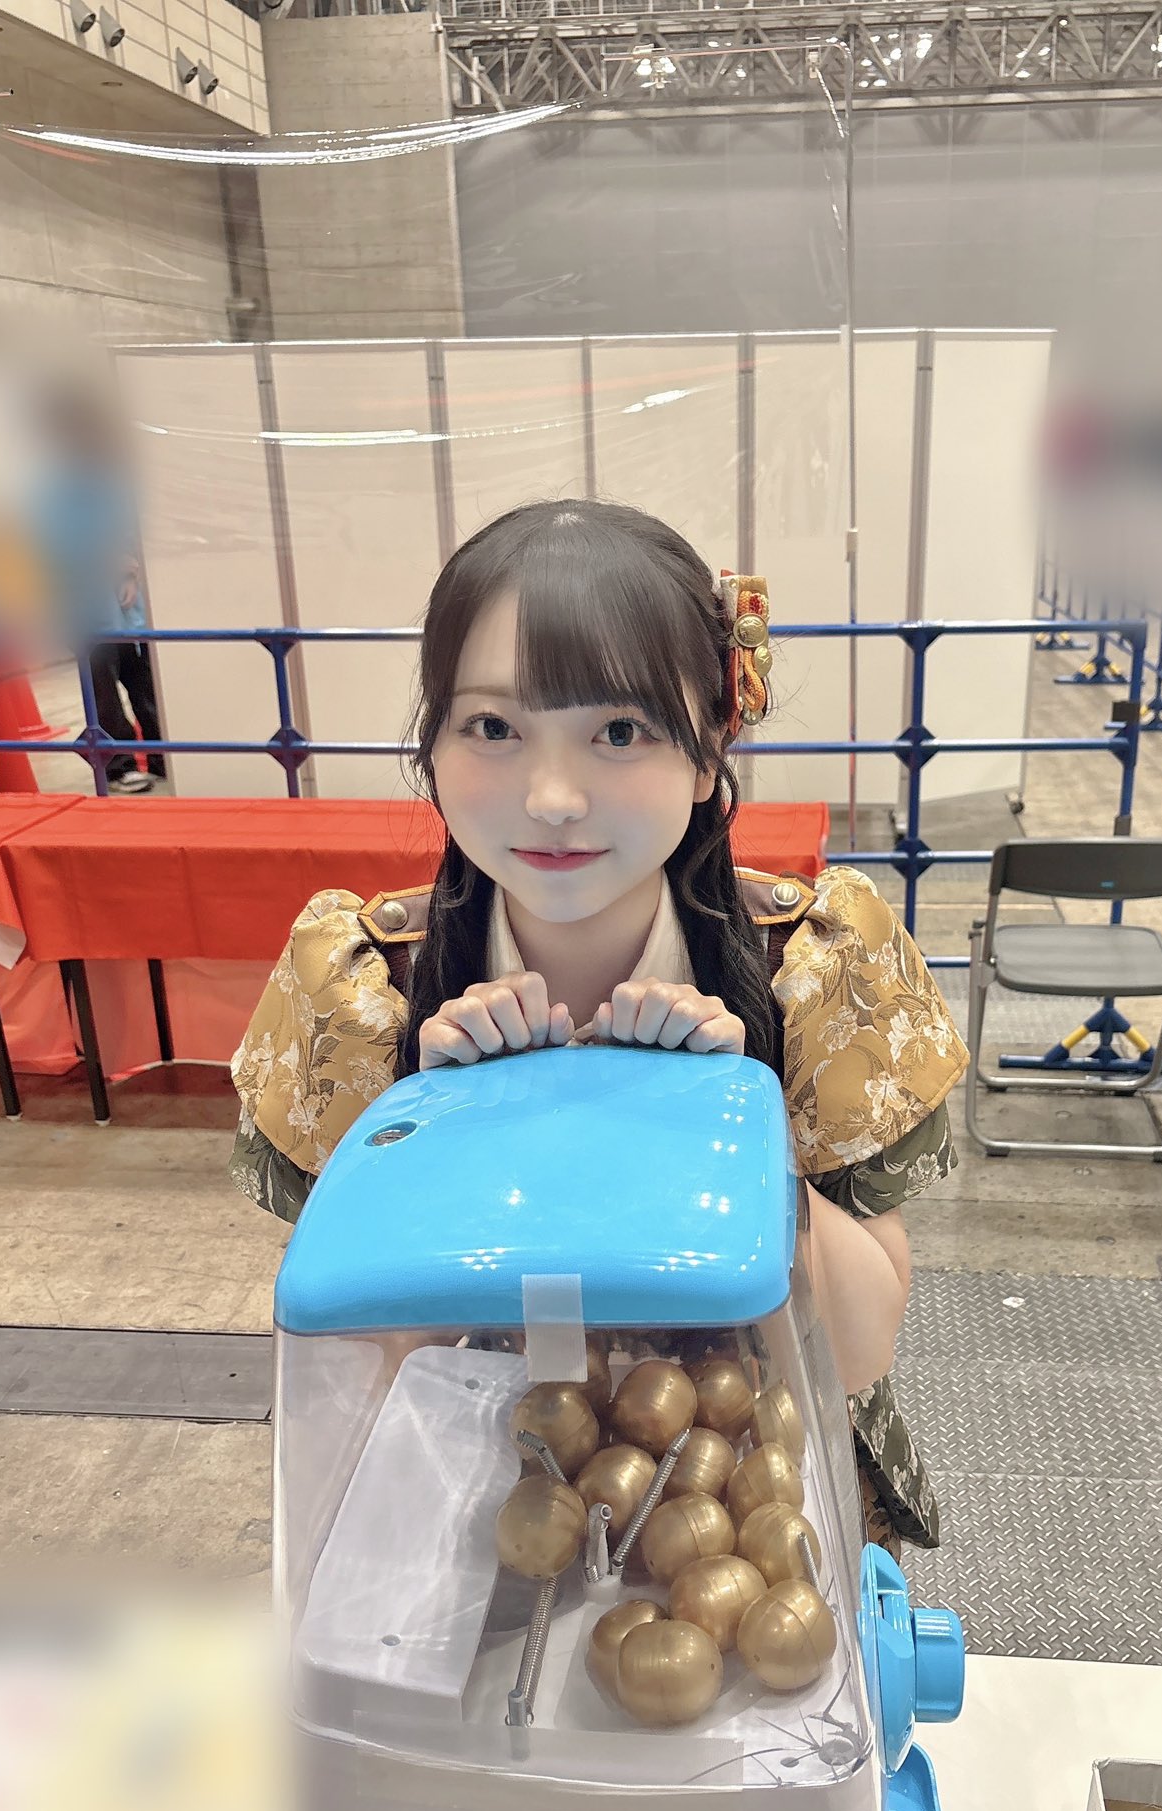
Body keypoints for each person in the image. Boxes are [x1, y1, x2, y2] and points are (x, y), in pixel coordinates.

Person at [229, 500, 968, 1554]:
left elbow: (861, 1348)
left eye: (620, 731)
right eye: (493, 727)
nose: (552, 797)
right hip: (476, 1497)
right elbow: (349, 1374)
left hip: (750, 1504)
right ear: (431, 746)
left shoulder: (811, 970)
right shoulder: (365, 991)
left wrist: (734, 1139)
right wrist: (431, 1146)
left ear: (710, 752)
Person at [89, 556, 164, 792]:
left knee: (148, 690)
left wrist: (130, 570)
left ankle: (162, 757)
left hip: (132, 617)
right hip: (90, 618)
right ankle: (119, 767)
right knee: (105, 698)